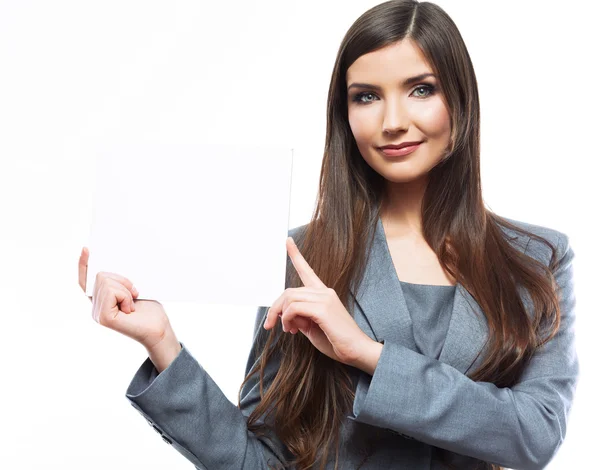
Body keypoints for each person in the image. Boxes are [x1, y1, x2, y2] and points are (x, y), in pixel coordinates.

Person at [77, 1, 578, 469]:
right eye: (367, 97)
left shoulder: (537, 258)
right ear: (345, 114)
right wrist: (161, 343)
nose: (393, 122)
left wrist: (367, 354)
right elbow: (262, 460)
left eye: (421, 89)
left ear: (460, 100)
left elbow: (535, 431)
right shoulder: (306, 258)